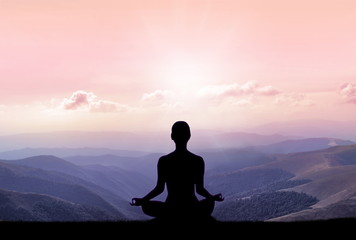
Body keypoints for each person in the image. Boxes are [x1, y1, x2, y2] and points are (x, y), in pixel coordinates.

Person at [131, 121, 224, 220]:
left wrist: (143, 200)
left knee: (146, 206)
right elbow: (199, 189)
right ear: (189, 136)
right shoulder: (197, 160)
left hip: (170, 207)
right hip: (192, 207)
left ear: (172, 136)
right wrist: (212, 198)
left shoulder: (164, 161)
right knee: (210, 203)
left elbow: (159, 188)